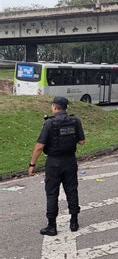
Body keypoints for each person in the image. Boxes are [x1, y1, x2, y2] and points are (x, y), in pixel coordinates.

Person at [28, 96, 85, 235]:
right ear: (66, 108)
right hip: (70, 161)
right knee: (72, 190)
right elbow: (82, 141)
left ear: (54, 106)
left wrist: (32, 164)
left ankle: (52, 226)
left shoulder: (49, 123)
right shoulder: (75, 121)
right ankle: (74, 222)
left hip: (53, 163)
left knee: (52, 193)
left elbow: (39, 146)